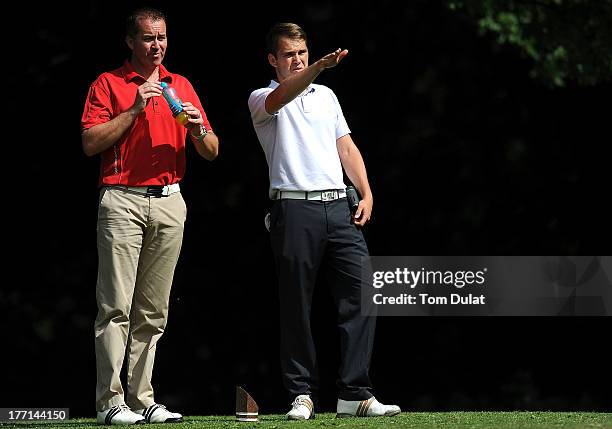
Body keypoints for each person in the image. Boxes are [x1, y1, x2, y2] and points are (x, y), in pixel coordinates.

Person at [248, 23, 400, 420]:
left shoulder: (326, 95)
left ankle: (355, 394)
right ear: (272, 60)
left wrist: (365, 191)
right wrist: (315, 68)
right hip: (293, 209)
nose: (297, 60)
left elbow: (345, 145)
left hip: (338, 207)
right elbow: (282, 96)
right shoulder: (262, 98)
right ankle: (301, 394)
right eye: (289, 55)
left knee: (364, 291)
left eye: (301, 52)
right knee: (297, 305)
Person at [81, 7, 219, 425]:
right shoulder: (109, 84)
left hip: (169, 201)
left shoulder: (181, 85)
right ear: (130, 41)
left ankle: (142, 400)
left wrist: (197, 129)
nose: (156, 45)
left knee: (153, 310)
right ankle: (110, 403)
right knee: (116, 307)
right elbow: (90, 143)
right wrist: (134, 109)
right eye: (147, 38)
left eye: (161, 37)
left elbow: (211, 150)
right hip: (122, 200)